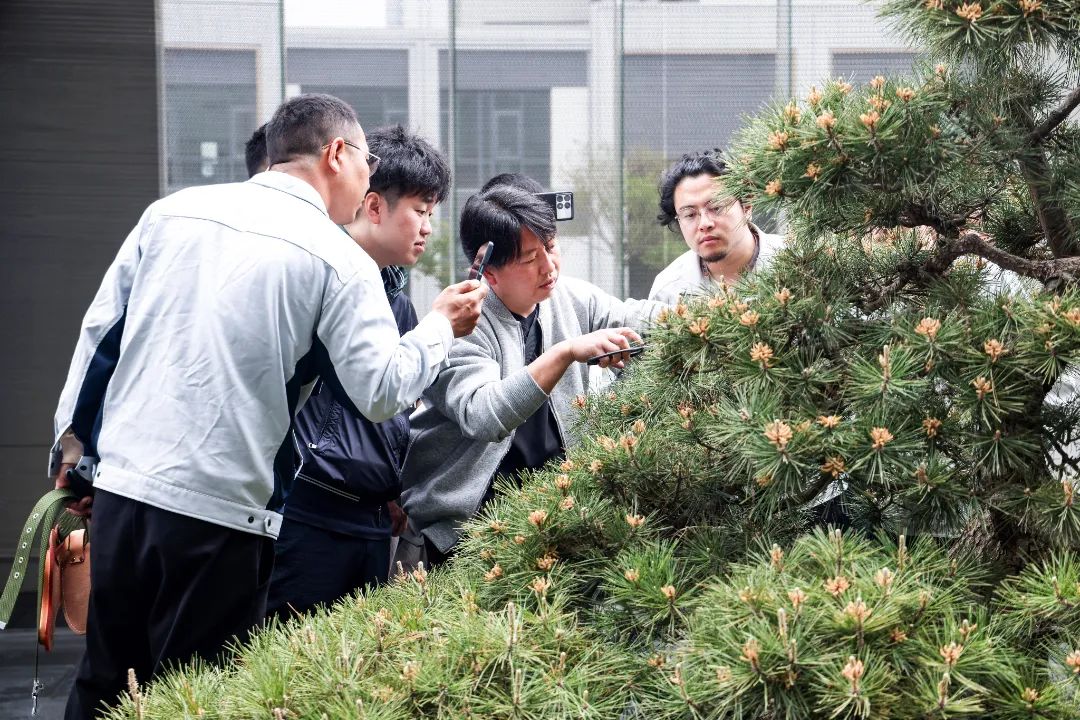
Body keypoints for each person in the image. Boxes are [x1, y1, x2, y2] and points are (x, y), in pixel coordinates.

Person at [51, 93, 486, 719]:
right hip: (224, 516)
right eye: (365, 163)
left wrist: (74, 457)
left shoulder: (170, 213)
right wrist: (441, 324)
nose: (367, 182)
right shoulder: (339, 258)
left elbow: (100, 338)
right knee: (196, 699)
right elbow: (383, 391)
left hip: (125, 493)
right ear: (337, 153)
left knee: (102, 683)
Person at [399, 181, 665, 567]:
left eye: (552, 247)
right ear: (489, 270)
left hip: (558, 520)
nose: (549, 266)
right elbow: (484, 414)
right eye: (529, 258)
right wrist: (566, 353)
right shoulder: (458, 323)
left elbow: (641, 318)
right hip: (466, 536)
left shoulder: (573, 297)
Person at [267, 125, 449, 618]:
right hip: (310, 510)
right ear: (373, 205)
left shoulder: (400, 303)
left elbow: (397, 410)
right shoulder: (320, 277)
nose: (428, 227)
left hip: (371, 518)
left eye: (431, 213)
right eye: (420, 210)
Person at [649, 150, 785, 304]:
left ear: (747, 206)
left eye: (716, 207)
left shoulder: (799, 262)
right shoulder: (669, 291)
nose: (704, 223)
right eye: (690, 215)